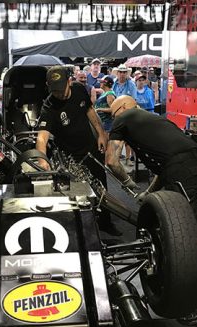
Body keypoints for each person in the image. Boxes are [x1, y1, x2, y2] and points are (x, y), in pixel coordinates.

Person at [105, 95, 197, 326]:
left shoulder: (124, 117)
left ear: (122, 107)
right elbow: (165, 165)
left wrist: (129, 185)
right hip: (189, 165)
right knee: (189, 236)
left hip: (182, 169)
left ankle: (191, 306)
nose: (113, 119)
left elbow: (111, 160)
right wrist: (148, 192)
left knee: (182, 240)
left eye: (113, 114)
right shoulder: (155, 120)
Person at [36, 66, 121, 236]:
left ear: (69, 81)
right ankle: (77, 228)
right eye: (55, 91)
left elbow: (91, 112)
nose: (58, 94)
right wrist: (41, 159)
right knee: (74, 194)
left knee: (101, 186)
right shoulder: (49, 106)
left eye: (61, 89)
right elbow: (42, 138)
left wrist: (101, 135)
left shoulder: (79, 89)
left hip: (90, 147)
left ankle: (105, 222)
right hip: (69, 156)